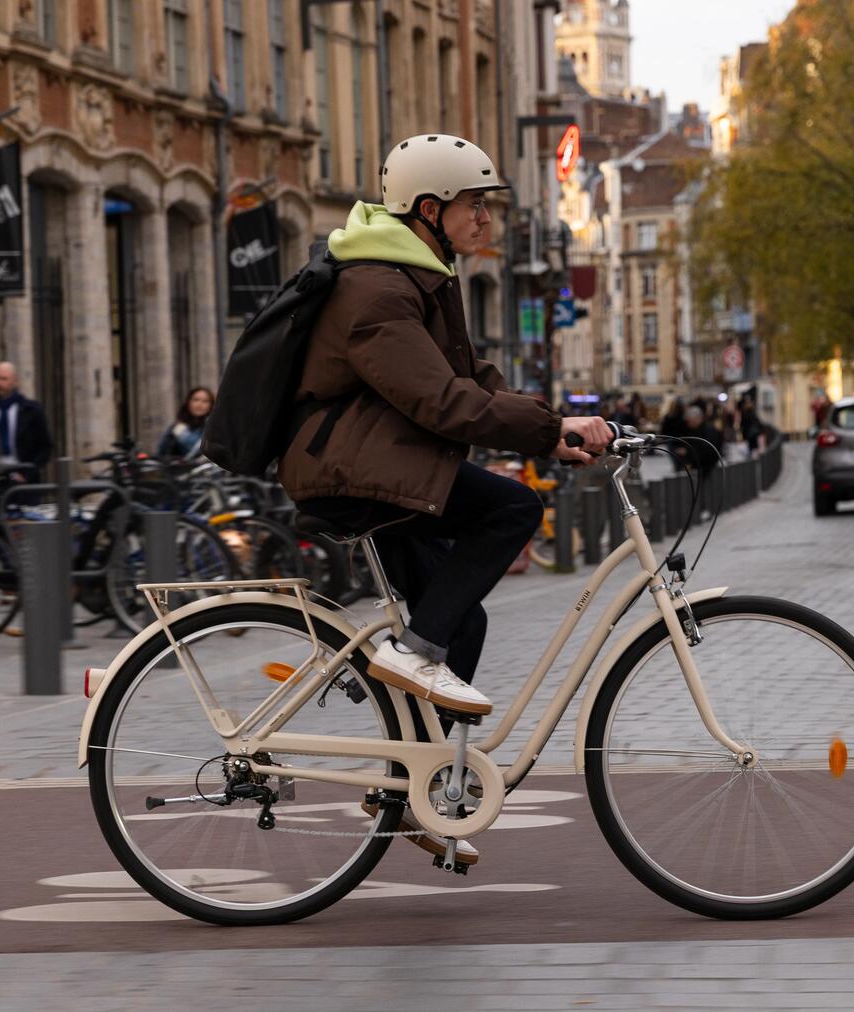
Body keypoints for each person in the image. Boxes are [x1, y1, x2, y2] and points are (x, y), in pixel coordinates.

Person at [276, 134, 610, 863]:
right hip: (350, 467)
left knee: (466, 623)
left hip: (375, 461)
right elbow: (441, 402)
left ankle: (408, 797)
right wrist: (548, 431)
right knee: (514, 511)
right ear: (430, 208)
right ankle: (412, 654)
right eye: (475, 204)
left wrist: (556, 427)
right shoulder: (378, 289)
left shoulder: (418, 275)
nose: (486, 218)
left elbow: (469, 377)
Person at [0, 362, 53, 483]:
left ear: (15, 381)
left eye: (4, 379)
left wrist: (28, 474)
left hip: (23, 478)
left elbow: (45, 446)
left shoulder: (32, 410)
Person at [157, 387, 215, 460]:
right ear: (188, 402)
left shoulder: (214, 427)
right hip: (181, 469)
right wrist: (173, 436)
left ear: (211, 405)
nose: (199, 404)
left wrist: (182, 437)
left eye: (205, 401)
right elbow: (161, 453)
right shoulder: (177, 426)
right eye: (195, 400)